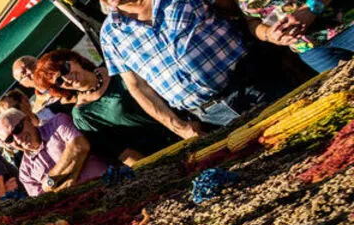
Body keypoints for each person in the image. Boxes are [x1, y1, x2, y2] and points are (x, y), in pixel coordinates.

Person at [99, 0, 289, 131]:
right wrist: (180, 128)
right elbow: (137, 86)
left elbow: (239, 12)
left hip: (256, 82)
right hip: (211, 116)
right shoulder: (110, 34)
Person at [32, 49, 177, 165]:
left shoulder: (114, 66)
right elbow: (123, 153)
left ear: (73, 59)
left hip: (187, 118)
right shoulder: (83, 114)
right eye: (58, 81)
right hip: (165, 152)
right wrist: (158, 168)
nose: (67, 78)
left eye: (65, 69)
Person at [0, 108, 110, 196]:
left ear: (28, 120)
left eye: (18, 129)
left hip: (110, 183)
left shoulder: (58, 123)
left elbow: (80, 146)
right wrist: (74, 164)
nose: (18, 138)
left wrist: (50, 180)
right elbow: (46, 202)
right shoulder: (25, 173)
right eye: (9, 139)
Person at [237, 0, 354, 72]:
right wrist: (269, 35)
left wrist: (312, 8)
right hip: (309, 49)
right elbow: (252, 20)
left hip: (346, 24)